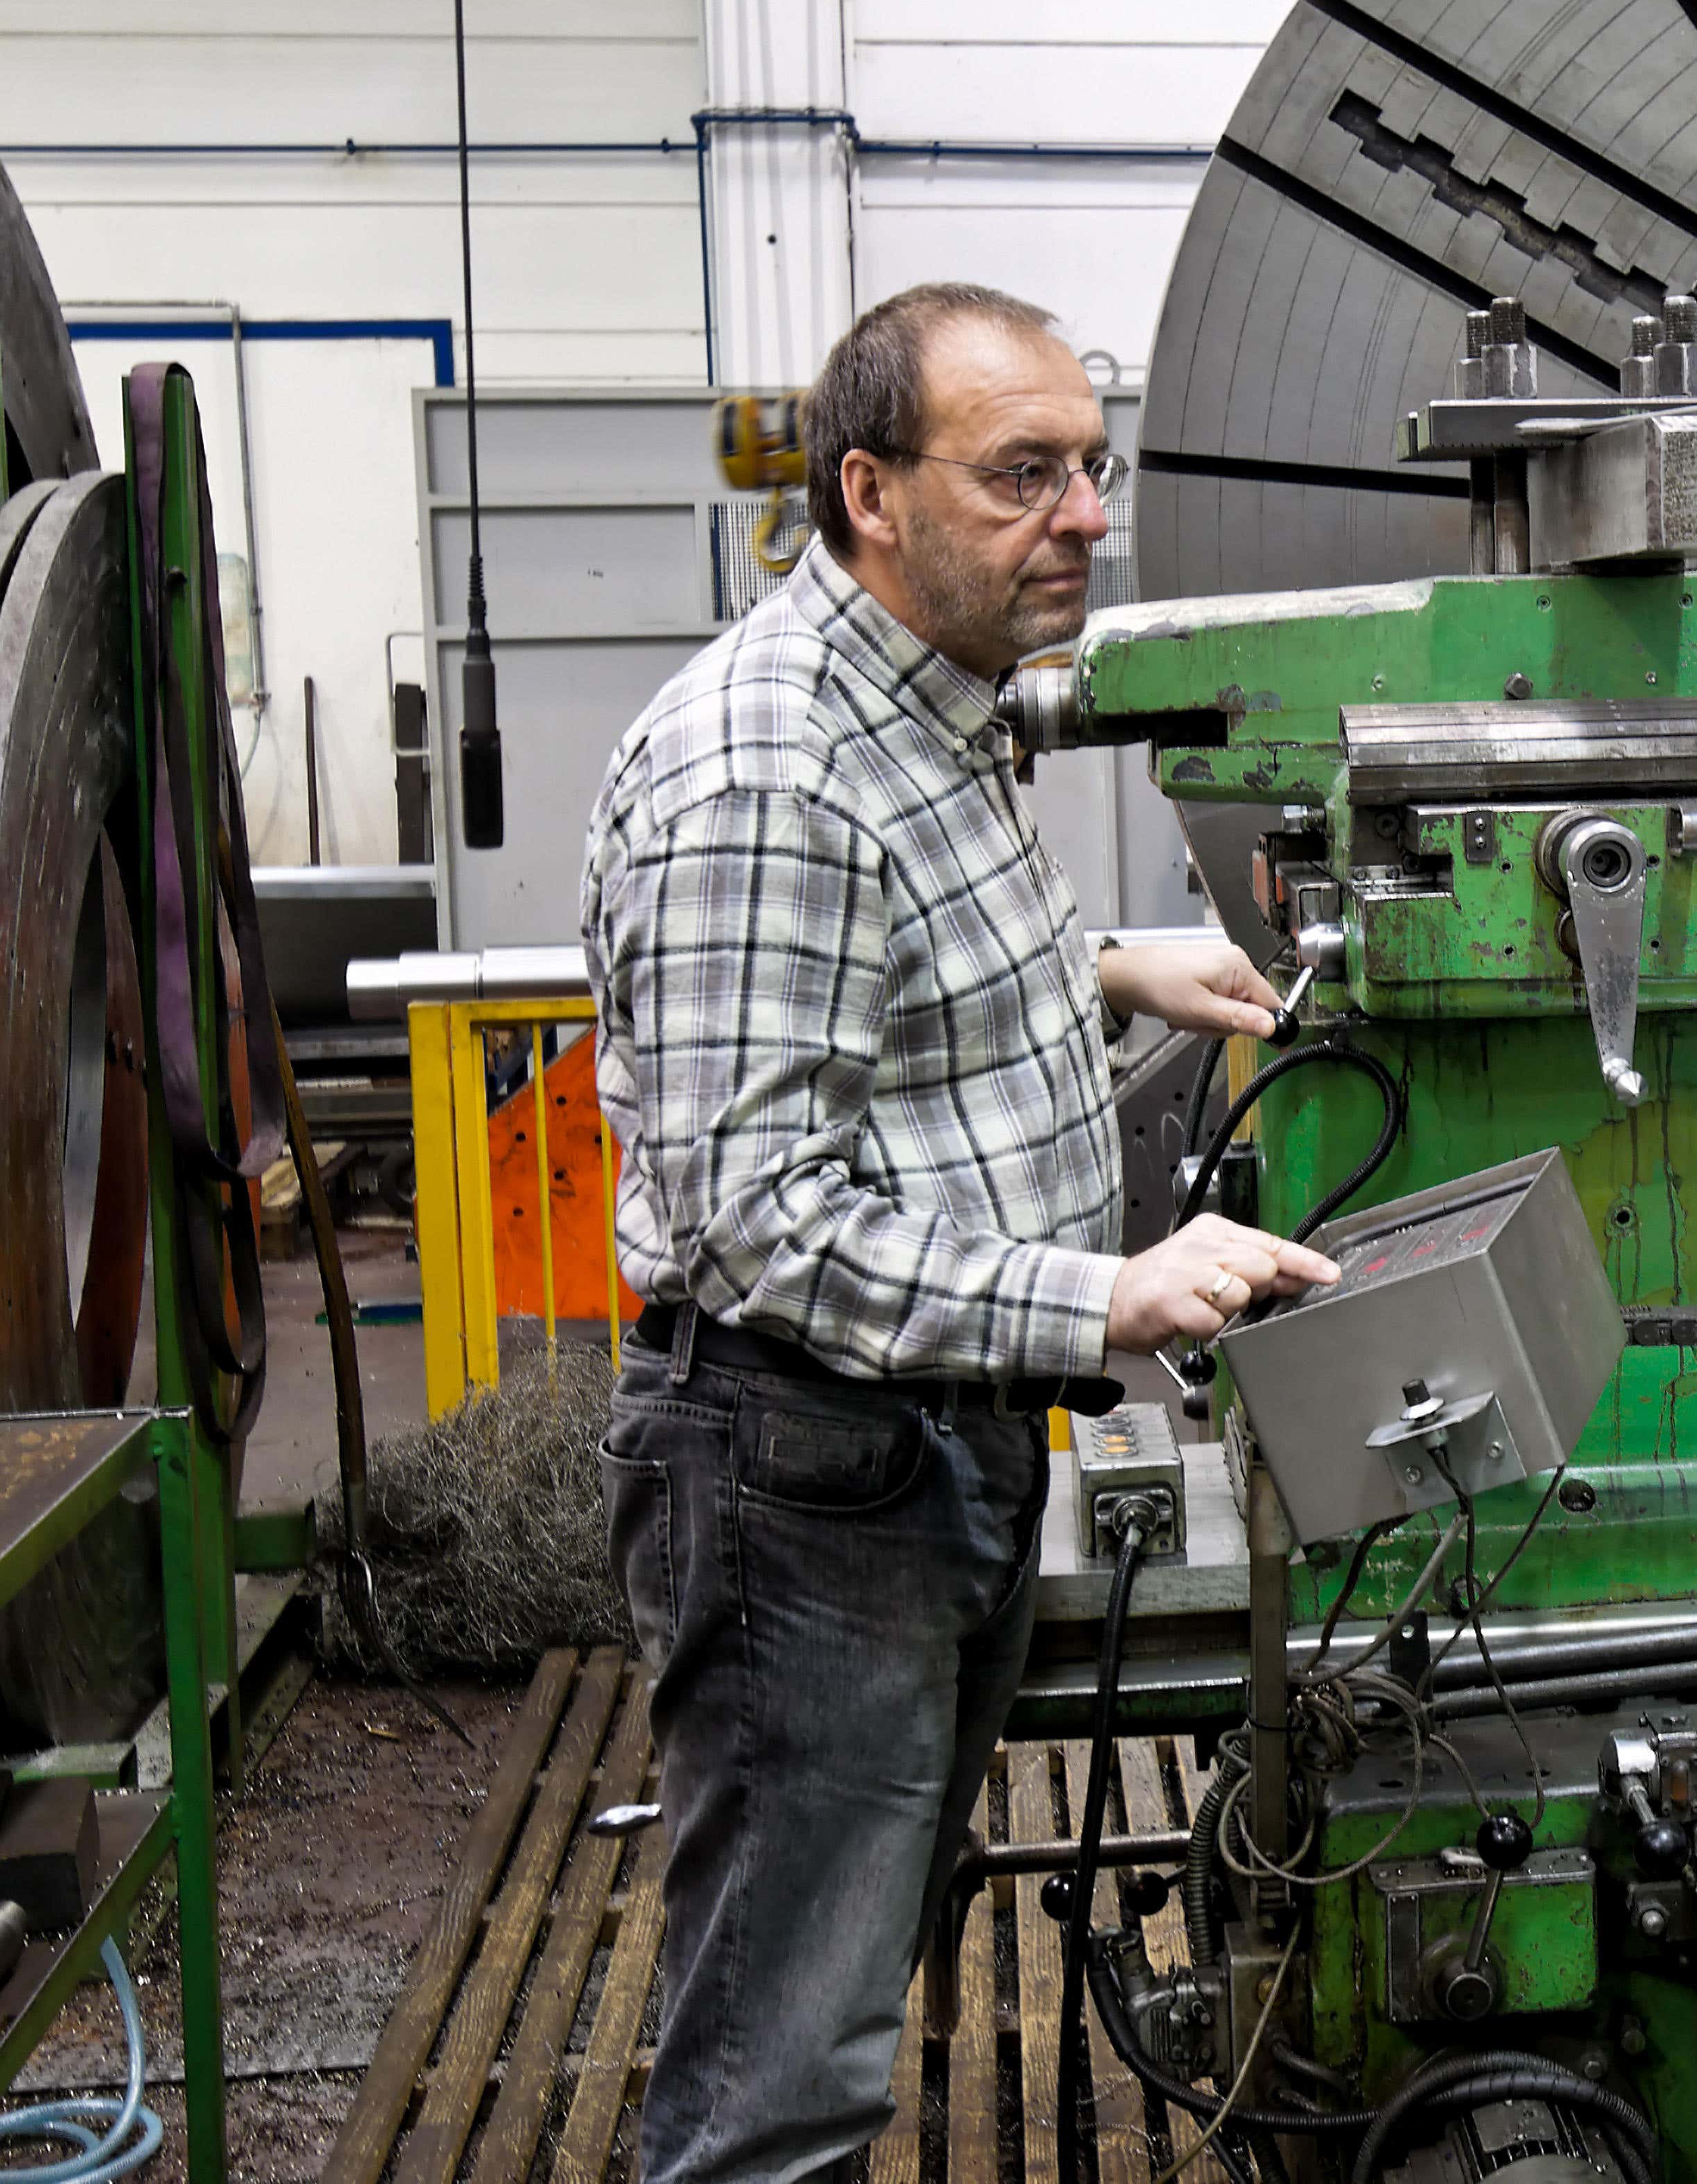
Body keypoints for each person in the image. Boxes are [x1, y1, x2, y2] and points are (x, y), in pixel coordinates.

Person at [583, 281, 1340, 2182]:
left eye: (1093, 469)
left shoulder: (934, 706)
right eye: (1023, 476)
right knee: (782, 2060)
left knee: (851, 1948)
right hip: (806, 1468)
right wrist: (1110, 1290)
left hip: (933, 1436)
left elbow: (884, 1007)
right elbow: (764, 1220)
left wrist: (1101, 970)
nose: (1084, 516)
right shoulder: (771, 770)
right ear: (866, 491)